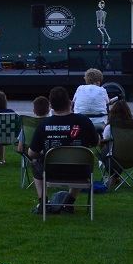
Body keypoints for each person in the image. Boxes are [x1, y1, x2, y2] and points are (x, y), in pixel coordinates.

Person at [27, 85, 98, 213]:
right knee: (83, 160)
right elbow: (95, 142)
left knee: (35, 163)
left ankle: (43, 202)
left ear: (51, 106)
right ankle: (69, 202)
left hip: (51, 171)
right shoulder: (83, 121)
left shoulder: (44, 124)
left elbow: (32, 153)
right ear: (70, 102)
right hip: (80, 171)